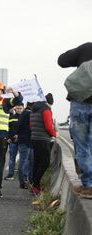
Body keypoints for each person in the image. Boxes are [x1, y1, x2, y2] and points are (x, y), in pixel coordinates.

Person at [58, 42, 92, 198]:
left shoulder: (87, 48)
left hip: (81, 102)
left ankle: (89, 184)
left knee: (83, 145)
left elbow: (62, 60)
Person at [30, 93, 56, 195]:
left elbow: (31, 125)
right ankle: (36, 185)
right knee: (45, 162)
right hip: (43, 139)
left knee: (36, 161)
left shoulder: (33, 109)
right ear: (49, 103)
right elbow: (48, 127)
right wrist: (54, 134)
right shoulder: (46, 110)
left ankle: (34, 183)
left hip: (34, 138)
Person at [5, 104, 24, 180]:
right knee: (11, 158)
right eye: (18, 108)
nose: (19, 110)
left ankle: (22, 177)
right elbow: (7, 128)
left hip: (22, 141)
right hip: (12, 141)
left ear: (23, 109)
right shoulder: (11, 117)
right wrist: (8, 138)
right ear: (15, 109)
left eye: (20, 108)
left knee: (23, 159)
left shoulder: (25, 118)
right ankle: (10, 175)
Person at [16, 103, 33, 189]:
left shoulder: (23, 113)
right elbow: (31, 128)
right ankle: (22, 182)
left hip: (22, 140)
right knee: (24, 162)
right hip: (27, 141)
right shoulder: (29, 114)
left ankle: (25, 181)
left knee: (26, 161)